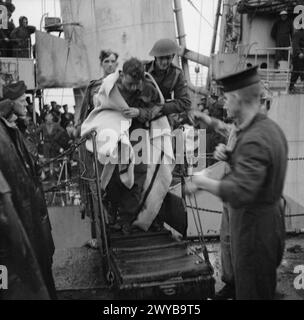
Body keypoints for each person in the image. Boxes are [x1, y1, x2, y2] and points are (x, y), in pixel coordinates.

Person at [187, 66, 287, 300]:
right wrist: (232, 156)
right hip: (266, 224)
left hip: (253, 229)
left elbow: (241, 190)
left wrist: (202, 182)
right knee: (259, 287)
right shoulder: (268, 130)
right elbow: (259, 167)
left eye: (226, 98)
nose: (223, 104)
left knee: (252, 291)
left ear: (237, 99)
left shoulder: (254, 138)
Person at [0, 81, 56, 299]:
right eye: (22, 100)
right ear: (10, 104)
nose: (27, 104)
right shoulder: (8, 134)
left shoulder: (16, 129)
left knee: (42, 268)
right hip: (21, 223)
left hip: (32, 217)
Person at [145, 38, 191, 128]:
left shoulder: (177, 74)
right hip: (142, 112)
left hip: (163, 115)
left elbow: (185, 102)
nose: (164, 62)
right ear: (155, 57)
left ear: (173, 56)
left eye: (168, 58)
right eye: (161, 58)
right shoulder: (143, 69)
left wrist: (162, 107)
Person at [78, 49, 119, 126]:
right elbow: (85, 109)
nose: (110, 65)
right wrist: (81, 125)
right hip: (97, 124)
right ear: (101, 64)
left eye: (113, 61)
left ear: (116, 64)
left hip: (117, 124)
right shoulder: (94, 85)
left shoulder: (122, 84)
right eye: (106, 61)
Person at [289, 28, 304, 92]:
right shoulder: (297, 34)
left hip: (301, 56)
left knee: (298, 71)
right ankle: (291, 87)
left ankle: (292, 87)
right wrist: (299, 52)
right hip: (298, 56)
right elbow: (295, 44)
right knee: (297, 71)